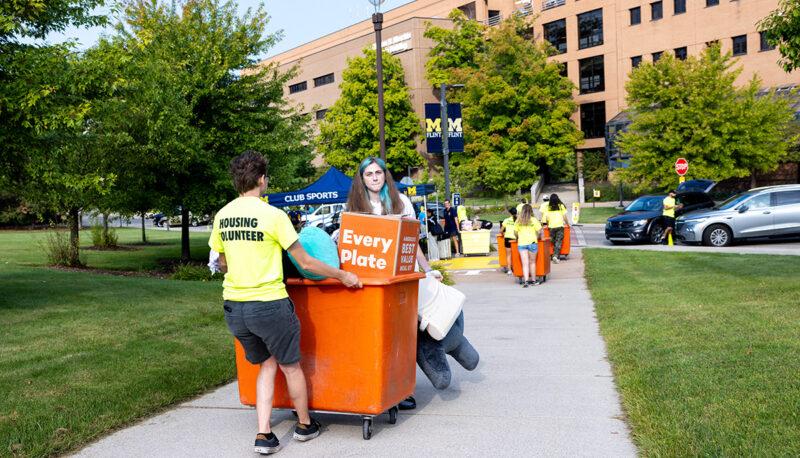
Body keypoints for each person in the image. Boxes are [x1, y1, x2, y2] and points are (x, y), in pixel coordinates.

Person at [209, 151, 362, 455]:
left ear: (236, 181)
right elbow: (305, 261)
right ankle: (305, 425)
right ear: (262, 179)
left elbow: (222, 263)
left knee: (267, 364)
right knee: (290, 367)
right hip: (268, 305)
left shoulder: (222, 216)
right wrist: (343, 275)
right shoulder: (273, 216)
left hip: (235, 308)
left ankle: (264, 434)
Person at [345, 156, 441, 410]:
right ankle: (379, 386)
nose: (375, 178)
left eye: (379, 173)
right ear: (362, 178)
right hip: (373, 284)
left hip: (402, 280)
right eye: (369, 174)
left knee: (404, 337)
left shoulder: (402, 203)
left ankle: (402, 389)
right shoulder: (354, 206)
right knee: (378, 339)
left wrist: (428, 270)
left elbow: (413, 242)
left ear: (385, 176)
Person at [514, 204, 542, 287]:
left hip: (522, 243)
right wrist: (538, 237)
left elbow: (515, 232)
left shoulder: (518, 220)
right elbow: (539, 231)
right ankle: (533, 280)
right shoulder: (534, 220)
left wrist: (517, 237)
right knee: (532, 262)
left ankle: (526, 281)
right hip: (532, 242)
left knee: (525, 263)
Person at [541, 193, 569, 264]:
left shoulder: (548, 207)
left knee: (553, 241)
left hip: (551, 227)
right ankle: (556, 256)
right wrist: (568, 224)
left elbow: (547, 218)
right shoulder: (561, 206)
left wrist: (547, 224)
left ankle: (555, 255)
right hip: (559, 226)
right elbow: (565, 216)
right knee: (558, 241)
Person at [500, 207, 517, 275]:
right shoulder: (519, 220)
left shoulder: (506, 220)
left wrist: (503, 234)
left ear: (510, 213)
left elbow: (501, 230)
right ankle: (517, 268)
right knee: (516, 255)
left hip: (507, 238)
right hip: (515, 239)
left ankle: (509, 270)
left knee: (509, 255)